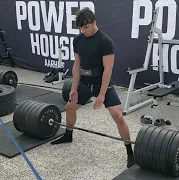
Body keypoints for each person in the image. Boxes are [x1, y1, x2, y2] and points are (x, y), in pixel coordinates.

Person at [51, 7, 135, 168]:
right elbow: (77, 65)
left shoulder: (105, 41)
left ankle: (130, 152)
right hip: (84, 84)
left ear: (94, 22)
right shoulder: (78, 40)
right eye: (81, 28)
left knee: (118, 116)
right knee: (69, 107)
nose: (83, 31)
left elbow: (108, 70)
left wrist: (102, 94)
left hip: (102, 85)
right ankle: (68, 135)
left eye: (86, 27)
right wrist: (74, 88)